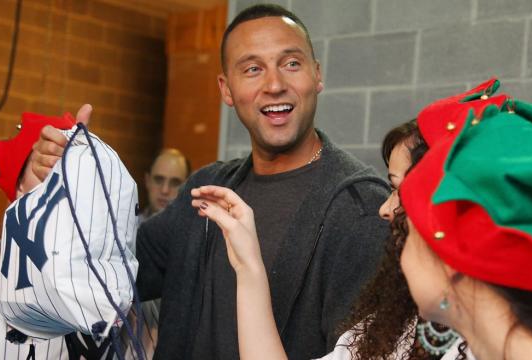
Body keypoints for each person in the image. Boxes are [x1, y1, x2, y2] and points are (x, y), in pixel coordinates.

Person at [28, 4, 390, 359]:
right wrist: (59, 188)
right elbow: (110, 272)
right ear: (226, 90)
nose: (275, 84)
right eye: (252, 69)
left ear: (317, 75)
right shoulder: (207, 189)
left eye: (291, 64)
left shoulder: (360, 208)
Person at [191, 78, 532, 359]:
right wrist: (249, 264)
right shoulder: (408, 325)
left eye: (407, 201)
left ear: (455, 259)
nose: (387, 210)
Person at [0, 109, 139, 359]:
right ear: (19, 186)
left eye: (72, 172)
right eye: (48, 169)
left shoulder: (116, 285)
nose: (62, 182)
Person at [141, 148, 191, 223]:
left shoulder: (197, 232)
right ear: (147, 181)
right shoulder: (127, 227)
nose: (165, 190)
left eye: (175, 183)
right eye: (158, 180)